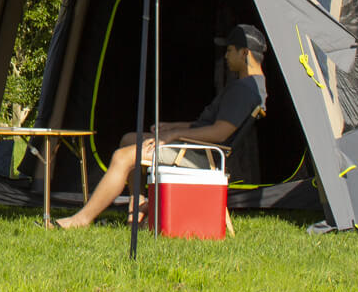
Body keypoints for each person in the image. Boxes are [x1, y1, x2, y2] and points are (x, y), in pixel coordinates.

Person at [54, 24, 268, 229]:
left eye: (230, 50)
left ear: (245, 53)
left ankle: (81, 220)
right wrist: (173, 127)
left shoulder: (245, 89)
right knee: (129, 139)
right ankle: (136, 210)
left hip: (203, 156)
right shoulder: (252, 85)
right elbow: (209, 125)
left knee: (123, 157)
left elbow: (220, 132)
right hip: (199, 146)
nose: (226, 56)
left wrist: (173, 135)